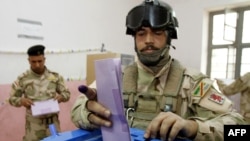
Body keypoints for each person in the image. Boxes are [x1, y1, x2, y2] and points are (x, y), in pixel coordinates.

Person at [70, 0, 247, 141]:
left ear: (170, 37)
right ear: (134, 38)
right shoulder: (116, 77)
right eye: (141, 33)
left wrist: (192, 127)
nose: (148, 40)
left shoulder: (193, 83)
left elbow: (239, 130)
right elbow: (77, 111)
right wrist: (87, 111)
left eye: (157, 33)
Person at [8, 44, 71, 141]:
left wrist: (61, 97)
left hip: (53, 124)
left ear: (44, 59)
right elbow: (12, 99)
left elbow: (67, 93)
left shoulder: (55, 76)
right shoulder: (23, 79)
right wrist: (21, 101)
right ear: (28, 60)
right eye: (33, 62)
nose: (37, 65)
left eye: (40, 61)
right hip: (34, 126)